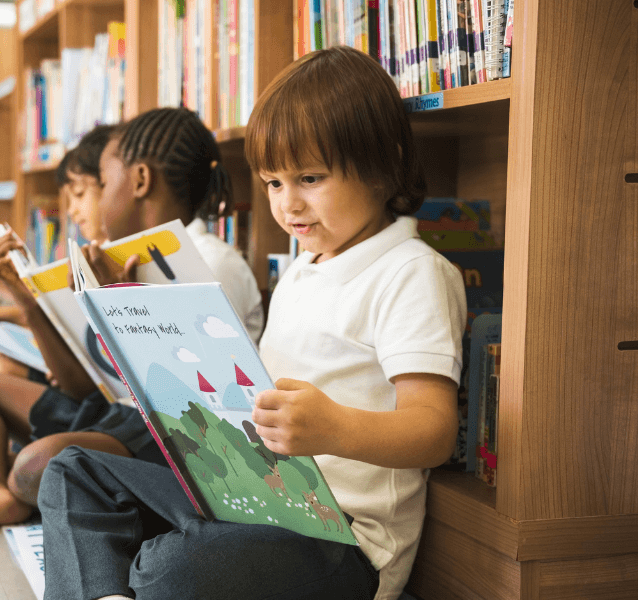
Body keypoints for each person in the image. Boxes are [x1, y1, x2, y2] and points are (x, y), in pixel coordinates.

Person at [36, 46, 465, 600]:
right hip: (250, 498)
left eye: (309, 178)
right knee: (73, 473)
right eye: (273, 183)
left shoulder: (412, 272)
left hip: (340, 541)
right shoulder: (302, 270)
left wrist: (333, 427)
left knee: (173, 568)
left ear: (386, 163)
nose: (289, 206)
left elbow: (433, 429)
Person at [0, 111, 262, 537]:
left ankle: (3, 478)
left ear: (139, 181)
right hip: (112, 413)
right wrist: (30, 303)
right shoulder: (117, 256)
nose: (97, 200)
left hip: (170, 438)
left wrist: (121, 305)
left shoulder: (211, 263)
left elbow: (196, 402)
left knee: (38, 463)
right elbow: (82, 389)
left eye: (103, 180)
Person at [0, 127, 116, 380]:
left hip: (91, 382)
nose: (72, 212)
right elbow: (66, 315)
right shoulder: (91, 252)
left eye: (78, 195)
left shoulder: (110, 256)